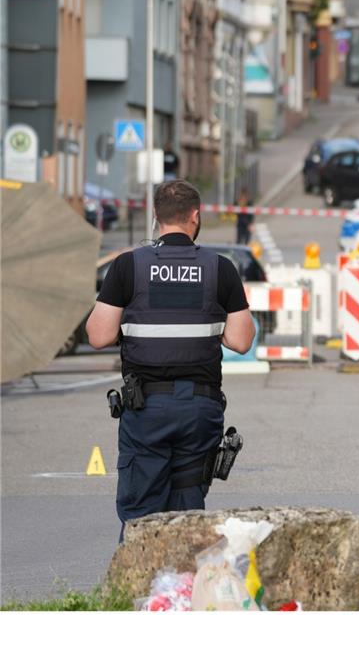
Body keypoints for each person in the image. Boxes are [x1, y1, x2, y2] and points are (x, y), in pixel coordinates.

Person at [86, 180, 255, 538]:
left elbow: (98, 336)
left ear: (155, 218)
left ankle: (140, 592)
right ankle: (184, 591)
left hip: (146, 409)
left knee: (142, 517)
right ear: (195, 217)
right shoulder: (220, 268)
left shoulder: (128, 266)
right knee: (189, 518)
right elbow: (241, 341)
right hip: (200, 411)